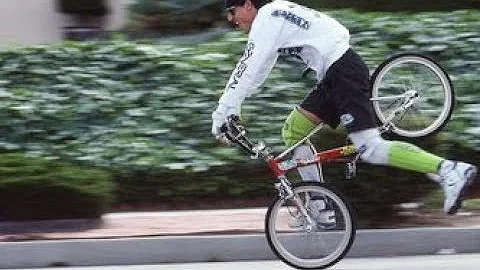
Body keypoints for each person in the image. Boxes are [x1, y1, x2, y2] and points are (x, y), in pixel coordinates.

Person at [211, 0, 477, 215]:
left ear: (248, 5)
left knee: (370, 147)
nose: (232, 20)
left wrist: (223, 111)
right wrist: (233, 108)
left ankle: (449, 169)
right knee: (294, 130)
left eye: (232, 12)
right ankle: (320, 204)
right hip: (334, 73)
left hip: (342, 72)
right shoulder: (276, 14)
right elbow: (257, 72)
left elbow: (247, 66)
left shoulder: (267, 16)